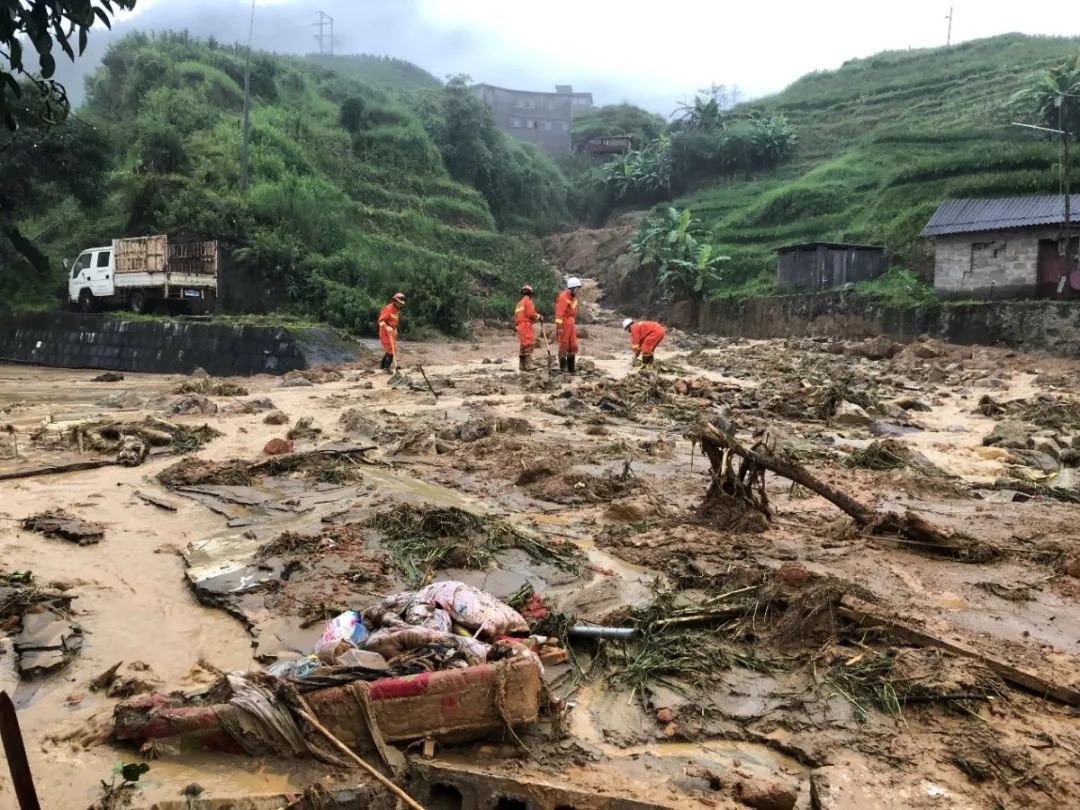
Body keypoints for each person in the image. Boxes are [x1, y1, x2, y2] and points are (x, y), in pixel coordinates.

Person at [554, 276, 582, 374]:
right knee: (564, 344)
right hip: (564, 323)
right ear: (572, 288)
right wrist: (560, 327)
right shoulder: (563, 297)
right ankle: (563, 368)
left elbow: (573, 312)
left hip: (570, 323)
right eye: (577, 288)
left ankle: (571, 368)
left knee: (573, 345)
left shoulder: (573, 298)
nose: (578, 291)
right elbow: (559, 314)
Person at [514, 284, 543, 371]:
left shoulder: (519, 303)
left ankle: (522, 365)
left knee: (523, 345)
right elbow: (531, 314)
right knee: (528, 343)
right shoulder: (528, 302)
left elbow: (516, 316)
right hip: (526, 325)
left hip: (519, 325)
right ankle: (529, 365)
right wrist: (539, 316)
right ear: (531, 293)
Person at [378, 292, 405, 372]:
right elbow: (380, 320)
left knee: (392, 349)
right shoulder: (388, 308)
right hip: (385, 332)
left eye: (401, 303)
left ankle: (382, 366)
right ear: (395, 301)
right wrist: (386, 327)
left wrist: (395, 329)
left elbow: (394, 321)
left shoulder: (397, 310)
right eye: (399, 303)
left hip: (392, 331)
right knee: (391, 349)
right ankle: (386, 368)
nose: (401, 304)